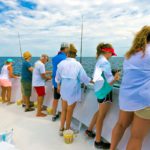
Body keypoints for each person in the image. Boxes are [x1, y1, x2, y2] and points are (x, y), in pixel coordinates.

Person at [110, 26, 150, 150]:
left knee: (121, 125)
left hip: (126, 97)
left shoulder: (130, 55)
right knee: (136, 137)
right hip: (144, 100)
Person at [55, 44, 91, 135]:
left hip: (64, 90)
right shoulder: (78, 64)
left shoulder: (61, 64)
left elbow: (57, 78)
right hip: (73, 91)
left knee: (64, 110)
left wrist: (58, 86)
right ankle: (67, 130)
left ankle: (61, 129)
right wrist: (91, 81)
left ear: (67, 54)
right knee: (69, 111)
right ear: (75, 55)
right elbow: (84, 78)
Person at [92, 43, 120, 149]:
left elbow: (97, 77)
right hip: (105, 92)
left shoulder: (99, 61)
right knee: (101, 116)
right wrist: (116, 77)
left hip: (99, 91)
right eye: (111, 54)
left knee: (100, 114)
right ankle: (98, 141)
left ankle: (91, 132)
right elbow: (110, 81)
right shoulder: (105, 63)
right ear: (107, 52)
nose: (112, 56)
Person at [51, 43, 69, 121]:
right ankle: (63, 116)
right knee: (64, 101)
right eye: (68, 49)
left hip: (55, 82)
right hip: (63, 83)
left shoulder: (54, 58)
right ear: (65, 49)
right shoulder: (65, 58)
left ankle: (53, 115)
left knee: (55, 99)